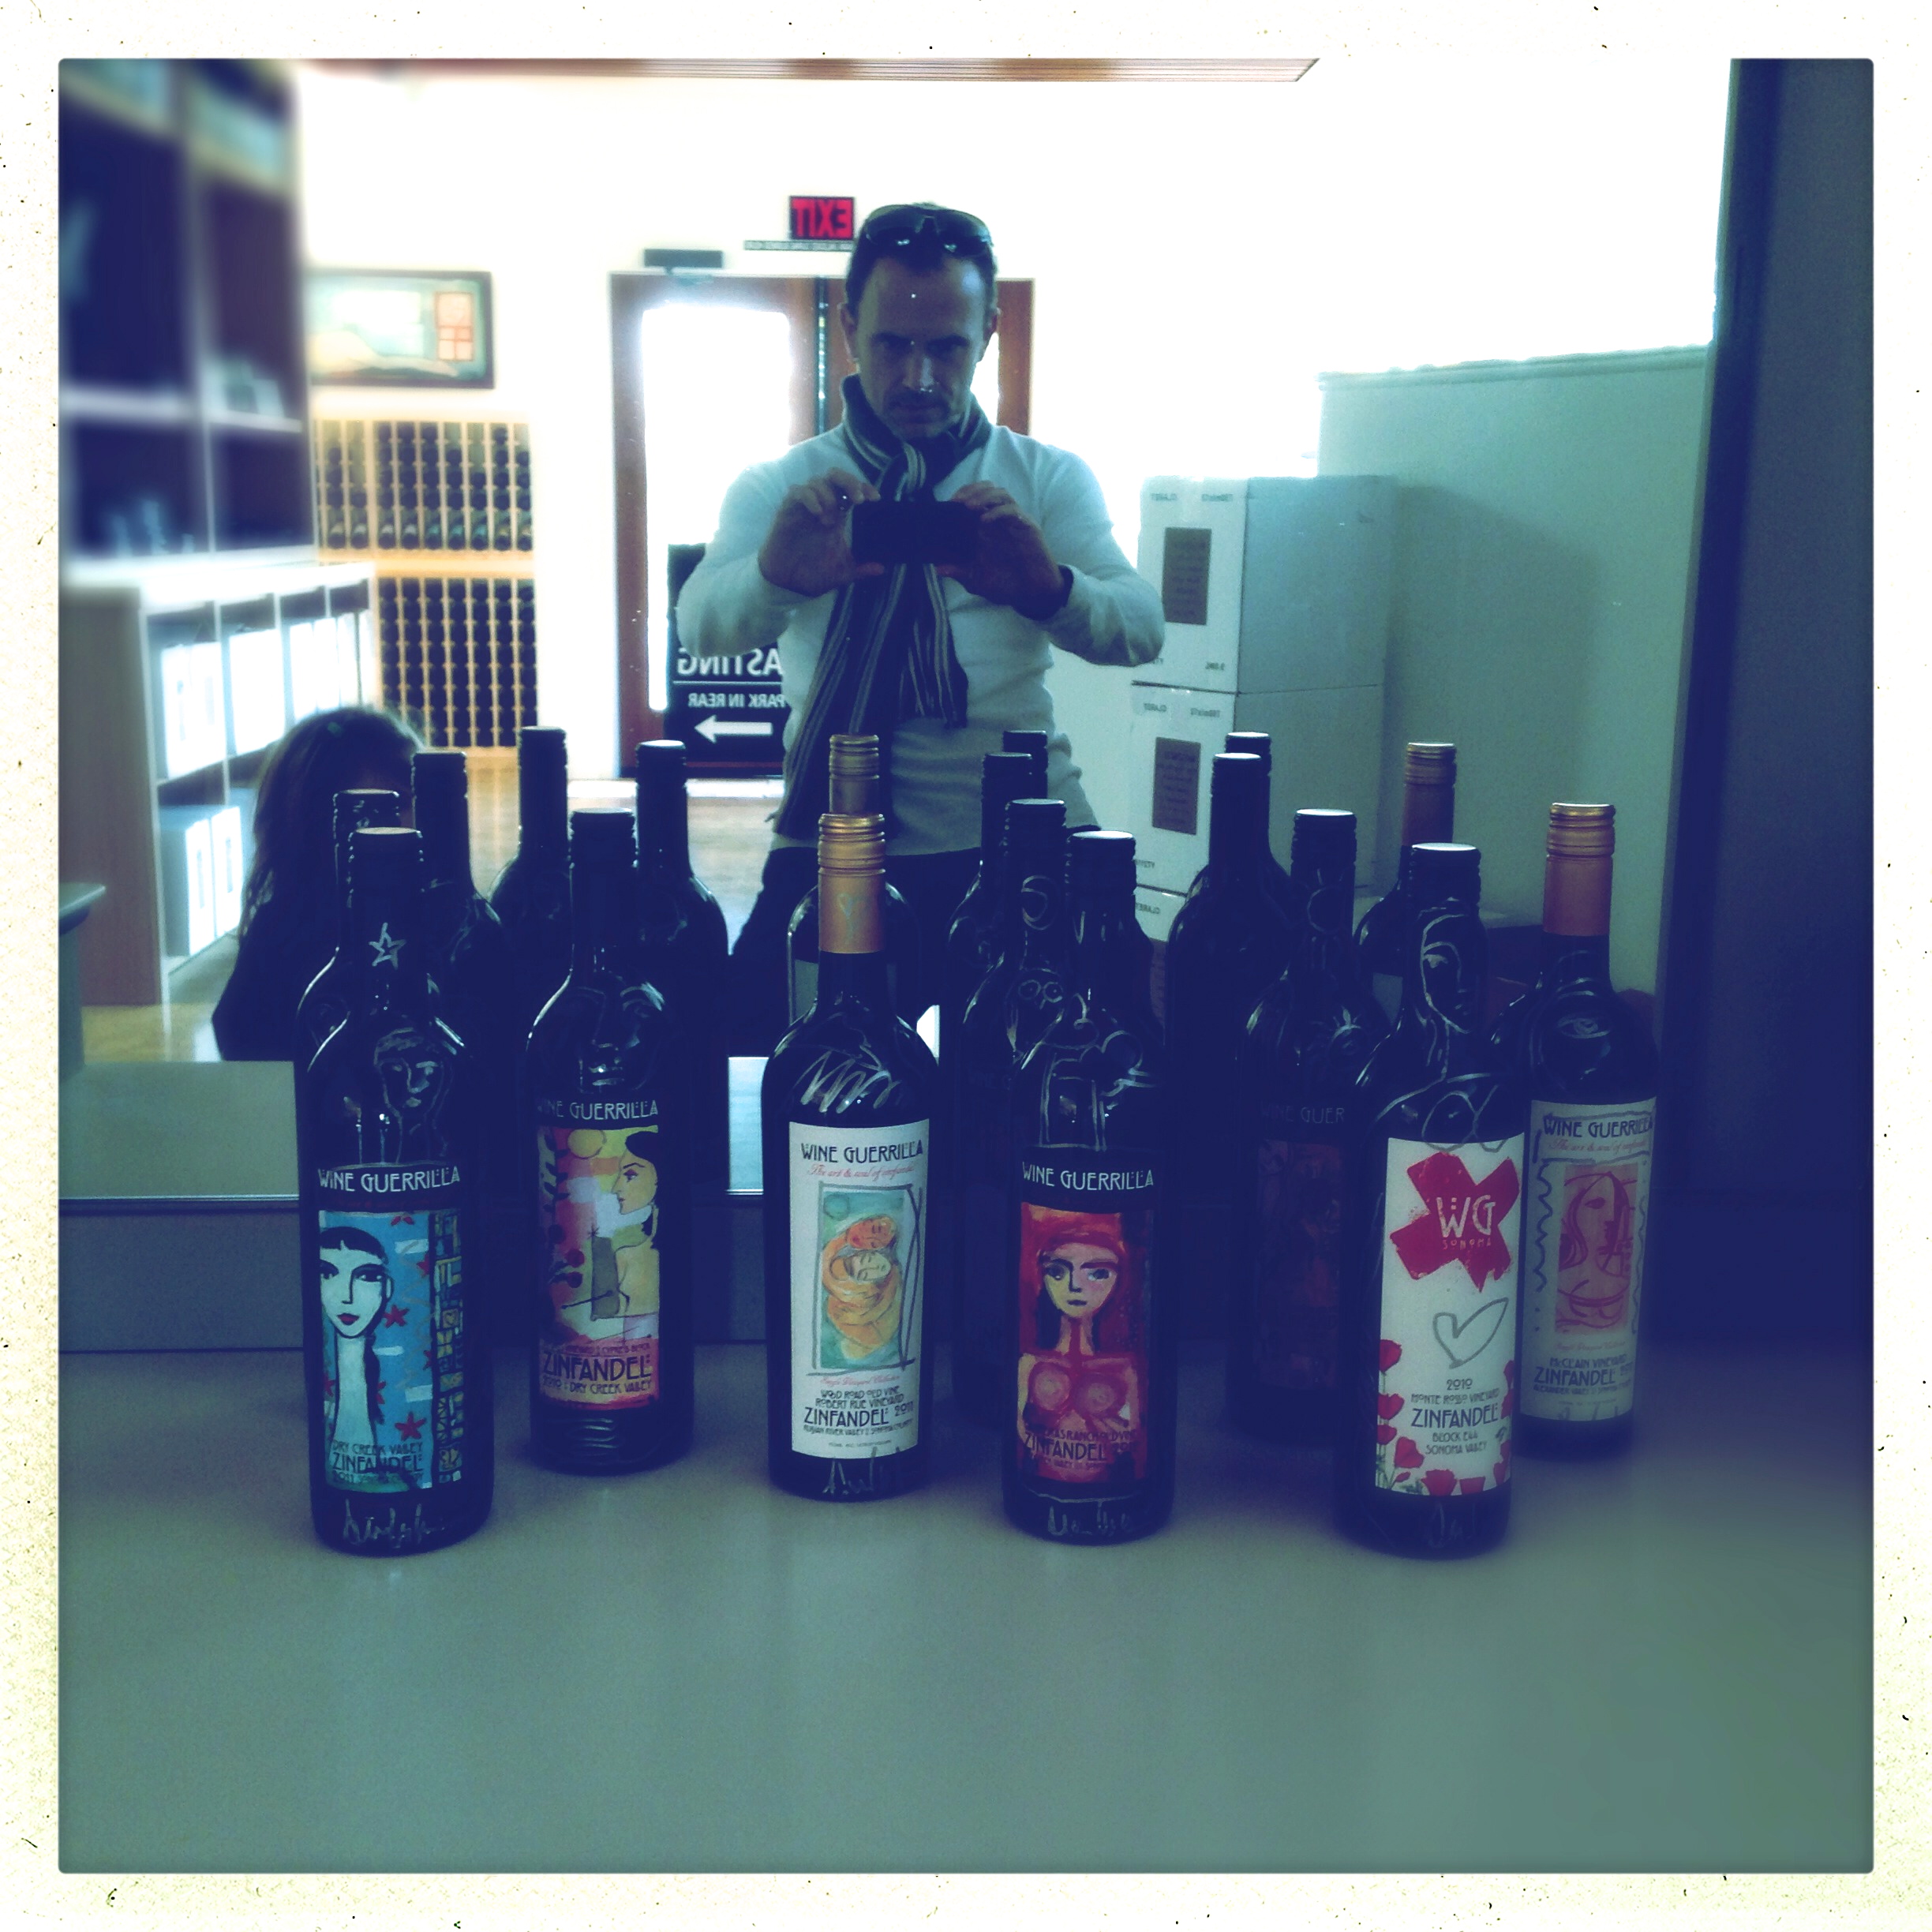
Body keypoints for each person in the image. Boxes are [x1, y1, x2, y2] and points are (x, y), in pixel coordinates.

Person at [675, 202, 1163, 1051]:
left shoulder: (1042, 478)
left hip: (1026, 831)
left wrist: (1049, 589)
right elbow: (699, 628)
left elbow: (1143, 628)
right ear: (848, 329)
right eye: (893, 345)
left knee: (1070, 1071)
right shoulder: (784, 488)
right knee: (756, 1059)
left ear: (989, 333)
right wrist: (776, 576)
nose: (920, 377)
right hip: (833, 833)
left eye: (947, 348)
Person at [213, 706, 421, 1062]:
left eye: (410, 802)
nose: (412, 823)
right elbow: (242, 1041)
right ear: (313, 825)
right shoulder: (284, 936)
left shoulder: (445, 921)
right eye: (375, 812)